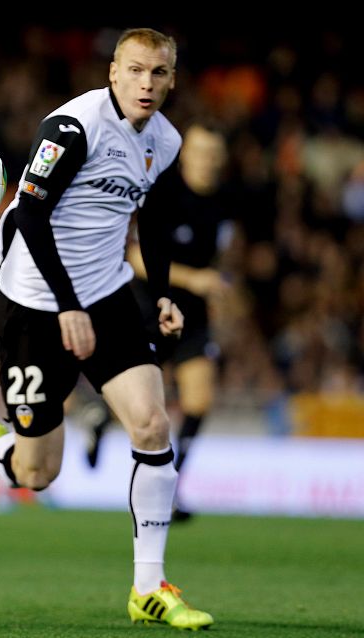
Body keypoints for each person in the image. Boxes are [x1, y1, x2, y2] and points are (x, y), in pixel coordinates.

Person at [0, 28, 214, 630]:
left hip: (106, 291)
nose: (146, 84)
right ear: (113, 72)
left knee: (152, 424)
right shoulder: (72, 129)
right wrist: (65, 304)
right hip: (32, 301)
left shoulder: (166, 140)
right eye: (135, 70)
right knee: (40, 473)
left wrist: (164, 296)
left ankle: (149, 587)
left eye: (158, 73)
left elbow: (149, 221)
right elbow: (28, 214)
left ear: (172, 79)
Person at [126, 121, 234, 521]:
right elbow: (135, 258)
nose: (207, 161)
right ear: (185, 154)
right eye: (200, 152)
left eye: (213, 154)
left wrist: (219, 287)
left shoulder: (224, 202)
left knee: (200, 399)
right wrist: (195, 279)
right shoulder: (164, 193)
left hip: (196, 314)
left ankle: (168, 486)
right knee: (141, 403)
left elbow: (220, 257)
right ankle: (99, 417)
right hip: (149, 307)